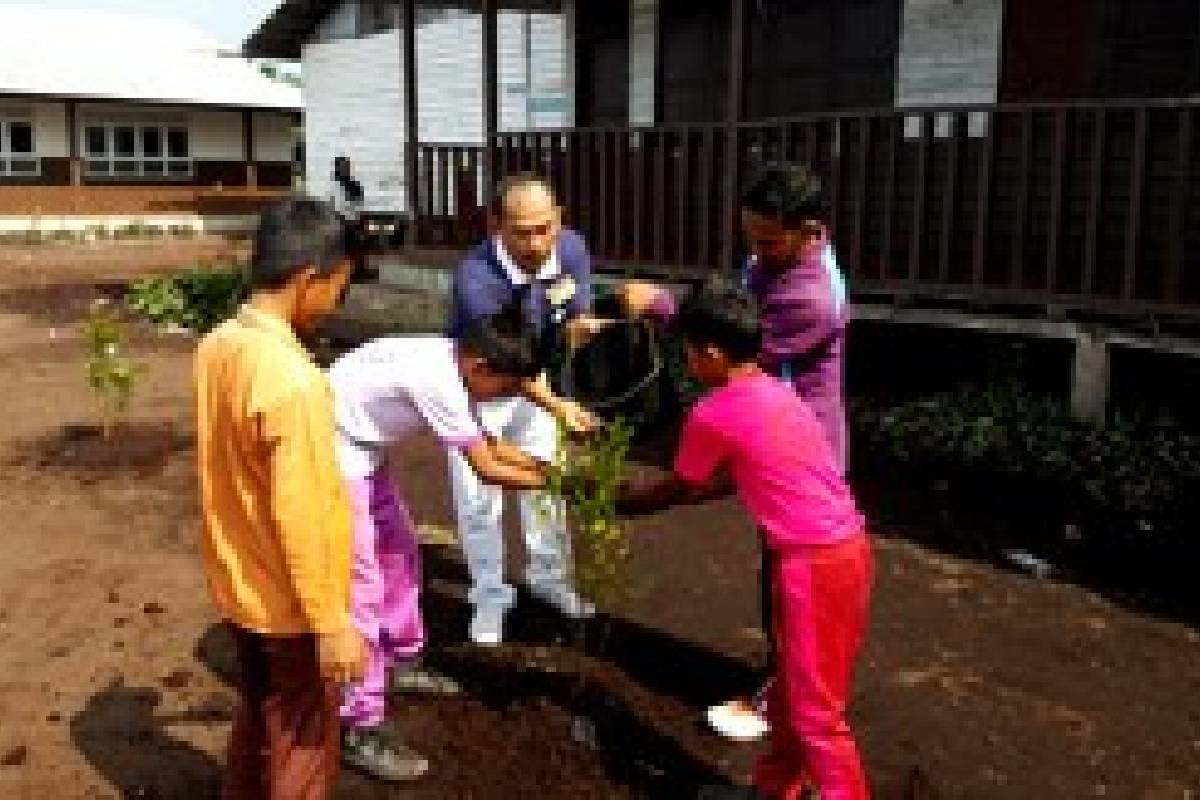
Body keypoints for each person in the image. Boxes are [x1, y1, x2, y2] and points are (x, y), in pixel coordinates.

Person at [618, 279, 872, 800]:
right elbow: (738, 477)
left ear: (710, 352)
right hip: (845, 551)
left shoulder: (713, 413)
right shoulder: (777, 391)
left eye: (687, 351)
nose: (686, 361)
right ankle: (774, 789)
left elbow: (678, 488)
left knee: (817, 711)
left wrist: (619, 504)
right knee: (792, 690)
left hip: (812, 563)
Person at [621, 163, 849, 740]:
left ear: (809, 230)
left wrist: (665, 308)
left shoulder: (812, 299)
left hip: (796, 445)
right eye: (751, 239)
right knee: (782, 572)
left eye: (768, 242)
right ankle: (791, 682)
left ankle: (792, 697)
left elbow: (736, 344)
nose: (757, 252)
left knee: (795, 578)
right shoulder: (775, 258)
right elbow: (735, 313)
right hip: (774, 428)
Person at [328, 311, 563, 782]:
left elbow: (492, 445)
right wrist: (564, 483)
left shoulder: (455, 361)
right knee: (363, 588)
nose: (509, 394)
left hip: (363, 450)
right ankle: (359, 722)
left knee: (401, 556)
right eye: (507, 386)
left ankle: (401, 660)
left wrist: (552, 468)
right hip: (333, 452)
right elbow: (488, 468)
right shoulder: (441, 382)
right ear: (480, 367)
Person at [195, 198, 365, 800]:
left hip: (238, 580)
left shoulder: (219, 343)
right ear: (306, 279)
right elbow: (302, 512)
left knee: (260, 710)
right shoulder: (293, 381)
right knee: (304, 739)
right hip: (288, 600)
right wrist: (331, 624)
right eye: (338, 287)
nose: (337, 303)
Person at [446, 173, 603, 646]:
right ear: (496, 226)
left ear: (559, 219)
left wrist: (581, 325)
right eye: (522, 232)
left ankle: (550, 579)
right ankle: (490, 595)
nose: (536, 244)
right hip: (478, 394)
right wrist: (559, 406)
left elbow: (575, 305)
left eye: (545, 228)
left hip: (536, 384)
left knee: (545, 486)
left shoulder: (570, 249)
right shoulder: (476, 280)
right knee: (480, 499)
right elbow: (504, 365)